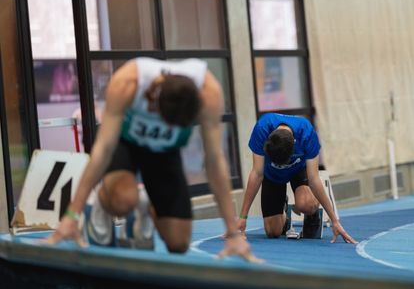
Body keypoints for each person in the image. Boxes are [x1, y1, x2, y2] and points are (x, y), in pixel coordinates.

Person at [46, 57, 259, 262]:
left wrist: (233, 233)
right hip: (127, 144)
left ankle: (147, 205)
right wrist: (72, 215)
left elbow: (214, 161)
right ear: (156, 105)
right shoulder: (127, 82)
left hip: (165, 151)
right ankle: (101, 203)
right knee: (122, 201)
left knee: (179, 244)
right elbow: (103, 149)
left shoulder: (209, 92)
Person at [237, 113, 356, 244]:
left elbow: (314, 179)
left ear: (294, 144)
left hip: (298, 170)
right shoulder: (261, 129)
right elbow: (257, 174)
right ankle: (284, 215)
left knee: (306, 204)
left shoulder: (307, 132)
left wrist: (335, 221)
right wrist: (243, 217)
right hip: (272, 174)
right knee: (272, 232)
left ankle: (313, 213)